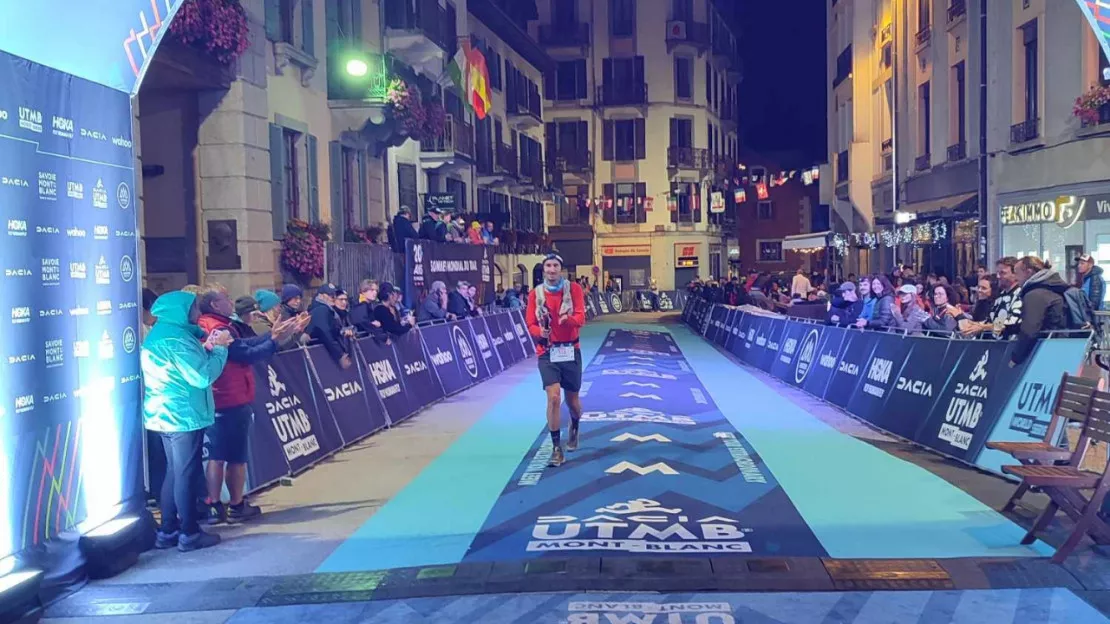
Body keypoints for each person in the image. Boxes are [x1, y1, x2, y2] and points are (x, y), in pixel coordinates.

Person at [196, 289, 303, 524]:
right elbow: (245, 354)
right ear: (215, 304)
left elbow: (243, 344)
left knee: (218, 454)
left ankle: (216, 505)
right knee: (234, 456)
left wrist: (271, 336)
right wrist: (274, 341)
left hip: (218, 397)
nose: (230, 303)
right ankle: (234, 504)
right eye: (226, 300)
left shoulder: (210, 325)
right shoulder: (219, 328)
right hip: (230, 396)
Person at [141, 290, 232, 552]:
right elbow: (201, 377)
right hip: (183, 415)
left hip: (163, 414)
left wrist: (207, 346)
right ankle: (189, 533)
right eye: (193, 308)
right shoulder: (176, 339)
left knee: (174, 472)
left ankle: (168, 530)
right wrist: (220, 351)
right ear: (181, 311)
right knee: (185, 474)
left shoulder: (162, 334)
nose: (198, 312)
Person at [526, 253, 586, 468]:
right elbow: (530, 324)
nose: (551, 270)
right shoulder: (536, 294)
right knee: (553, 398)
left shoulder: (574, 290)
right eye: (548, 266)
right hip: (548, 352)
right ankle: (556, 448)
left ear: (561, 269)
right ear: (544, 270)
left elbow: (581, 318)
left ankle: (575, 424)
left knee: (573, 403)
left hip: (571, 350)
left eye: (555, 266)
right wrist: (539, 331)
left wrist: (567, 319)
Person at [1011, 256, 1069, 366]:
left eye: (1016, 273)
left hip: (1048, 351)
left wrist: (1015, 358)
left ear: (1028, 272)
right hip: (1063, 346)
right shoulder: (1054, 287)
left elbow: (1029, 329)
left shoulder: (1035, 294)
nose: (1015, 278)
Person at [307, 284, 352, 368]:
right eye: (330, 296)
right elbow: (325, 333)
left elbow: (333, 329)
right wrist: (340, 355)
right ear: (321, 296)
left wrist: (342, 332)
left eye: (334, 295)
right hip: (315, 356)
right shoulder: (321, 309)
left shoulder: (327, 310)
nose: (333, 298)